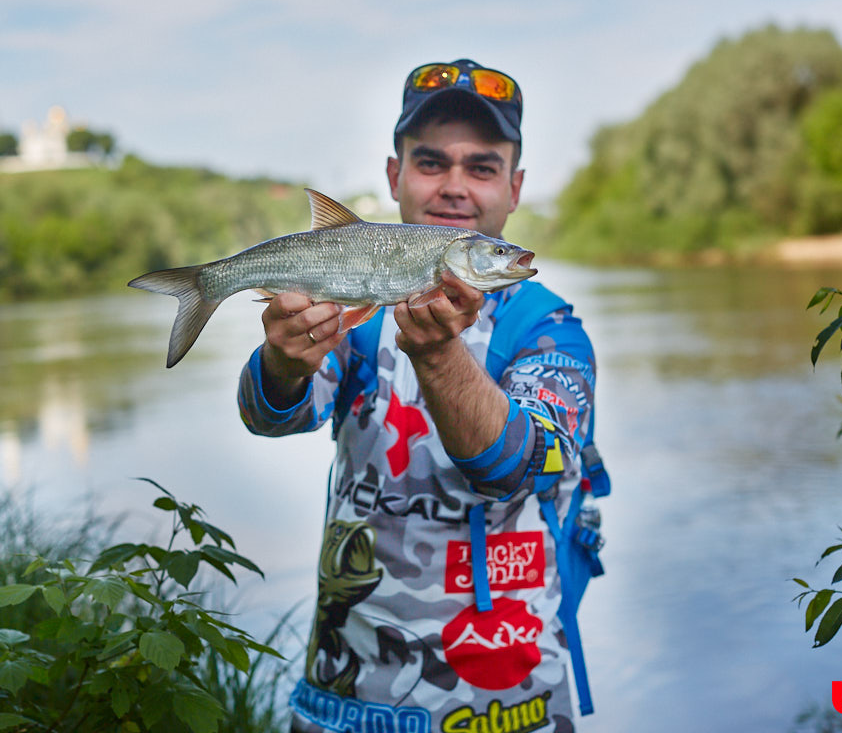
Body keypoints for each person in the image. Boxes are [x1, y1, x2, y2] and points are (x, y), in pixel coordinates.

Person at [237, 59, 598, 733]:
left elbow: (519, 466)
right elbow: (272, 415)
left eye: (482, 167)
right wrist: (280, 362)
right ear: (393, 176)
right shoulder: (355, 311)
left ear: (514, 188)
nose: (455, 186)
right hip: (345, 702)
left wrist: (438, 355)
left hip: (507, 707)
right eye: (431, 162)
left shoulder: (549, 330)